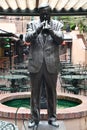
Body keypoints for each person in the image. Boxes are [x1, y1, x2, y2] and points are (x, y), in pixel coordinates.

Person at [25, 2, 64, 128]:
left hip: (51, 64)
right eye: (43, 14)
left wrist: (51, 31)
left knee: (51, 93)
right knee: (34, 93)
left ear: (51, 13)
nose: (45, 16)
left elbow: (60, 39)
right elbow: (27, 38)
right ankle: (34, 119)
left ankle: (52, 118)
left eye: (47, 13)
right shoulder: (31, 24)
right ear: (39, 14)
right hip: (35, 64)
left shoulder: (57, 25)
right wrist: (38, 29)